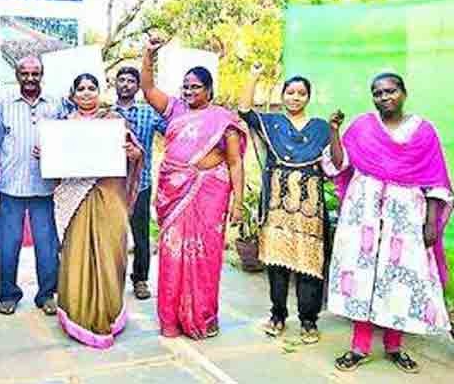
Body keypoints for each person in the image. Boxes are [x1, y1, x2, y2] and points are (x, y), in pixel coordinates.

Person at [326, 72, 452, 373]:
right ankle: (359, 346)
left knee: (398, 277)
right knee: (361, 274)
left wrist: (430, 223)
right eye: (378, 93)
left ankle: (394, 345)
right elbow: (340, 164)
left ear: (404, 93)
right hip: (362, 214)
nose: (384, 97)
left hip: (405, 216)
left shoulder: (423, 132)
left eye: (390, 91)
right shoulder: (362, 126)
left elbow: (435, 181)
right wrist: (334, 131)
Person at [141, 36, 245, 339]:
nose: (189, 91)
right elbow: (147, 89)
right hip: (174, 193)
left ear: (209, 89)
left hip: (209, 194)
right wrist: (148, 55)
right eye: (185, 86)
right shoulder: (175, 110)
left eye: (195, 86)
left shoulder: (224, 120)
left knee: (205, 256)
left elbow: (235, 162)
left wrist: (238, 203)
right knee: (172, 255)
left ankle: (201, 316)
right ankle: (171, 320)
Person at [238, 64, 332, 344]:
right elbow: (244, 111)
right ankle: (277, 315)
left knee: (309, 263)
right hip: (277, 205)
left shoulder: (321, 128)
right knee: (277, 263)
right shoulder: (273, 123)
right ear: (283, 95)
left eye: (301, 93)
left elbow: (336, 162)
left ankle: (308, 320)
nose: (295, 97)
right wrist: (254, 76)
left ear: (308, 97)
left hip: (310, 207)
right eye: (290, 92)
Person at [55, 73, 143, 349]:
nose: (86, 93)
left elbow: (136, 154)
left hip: (109, 194)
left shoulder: (114, 121)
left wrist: (133, 154)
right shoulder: (64, 126)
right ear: (73, 95)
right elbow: (56, 161)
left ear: (99, 91)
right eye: (80, 88)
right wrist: (45, 154)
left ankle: (110, 312)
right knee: (77, 254)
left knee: (110, 253)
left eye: (91, 88)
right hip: (75, 197)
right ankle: (78, 316)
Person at [0, 56, 60, 316]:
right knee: (8, 245)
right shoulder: (4, 103)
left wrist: (52, 152)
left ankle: (47, 295)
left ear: (42, 74)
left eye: (35, 73)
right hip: (10, 186)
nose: (30, 78)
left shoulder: (55, 103)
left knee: (47, 245)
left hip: (45, 187)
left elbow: (66, 138)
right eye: (25, 73)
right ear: (17, 75)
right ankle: (8, 294)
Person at [112, 66, 167, 300]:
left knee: (140, 234)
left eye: (131, 81)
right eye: (121, 80)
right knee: (113, 235)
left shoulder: (149, 112)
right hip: (112, 185)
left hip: (141, 183)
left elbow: (173, 131)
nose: (125, 84)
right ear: (115, 83)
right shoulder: (105, 113)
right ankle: (113, 279)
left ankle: (140, 279)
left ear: (137, 86)